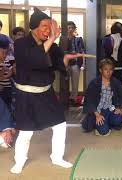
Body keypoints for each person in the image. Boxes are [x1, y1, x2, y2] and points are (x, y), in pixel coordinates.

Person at [10, 8, 86, 174]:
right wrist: (52, 38)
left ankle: (57, 157)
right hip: (27, 94)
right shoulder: (20, 44)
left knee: (60, 124)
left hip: (46, 93)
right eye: (45, 26)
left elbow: (59, 66)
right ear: (34, 27)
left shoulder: (52, 46)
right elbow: (32, 60)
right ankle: (20, 160)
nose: (48, 30)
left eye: (50, 27)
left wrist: (65, 59)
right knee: (26, 131)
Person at [82, 59, 122, 136]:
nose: (108, 72)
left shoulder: (115, 82)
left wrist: (121, 109)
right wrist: (97, 115)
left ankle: (105, 122)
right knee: (104, 131)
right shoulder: (94, 83)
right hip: (98, 111)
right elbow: (89, 100)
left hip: (111, 109)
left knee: (118, 120)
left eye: (110, 69)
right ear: (100, 70)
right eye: (105, 69)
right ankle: (95, 122)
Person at [59, 21, 86, 106]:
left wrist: (83, 64)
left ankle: (73, 98)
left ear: (74, 29)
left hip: (75, 64)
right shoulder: (62, 39)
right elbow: (60, 52)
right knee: (64, 82)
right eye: (68, 28)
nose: (70, 30)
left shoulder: (78, 39)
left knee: (75, 82)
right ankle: (64, 98)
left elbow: (82, 51)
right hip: (66, 64)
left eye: (71, 28)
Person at [0, 34, 13, 108]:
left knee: (8, 106)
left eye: (6, 53)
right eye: (2, 53)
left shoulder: (7, 61)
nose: (4, 55)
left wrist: (11, 71)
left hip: (8, 89)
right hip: (2, 91)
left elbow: (11, 73)